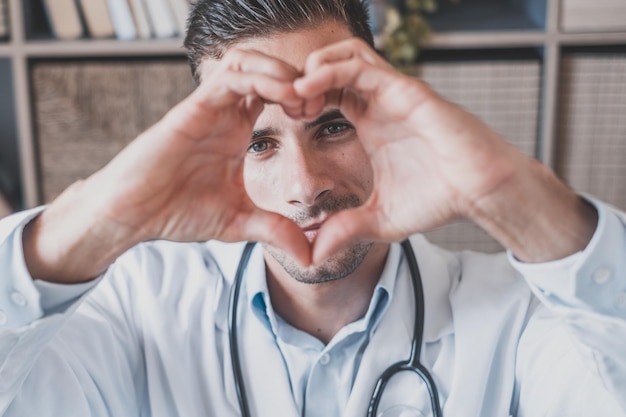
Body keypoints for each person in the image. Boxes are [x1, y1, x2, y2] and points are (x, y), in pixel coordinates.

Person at [0, 0, 625, 416]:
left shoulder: (518, 317)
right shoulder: (135, 308)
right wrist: (102, 215)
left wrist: (508, 190)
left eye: (332, 127)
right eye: (258, 142)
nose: (304, 187)